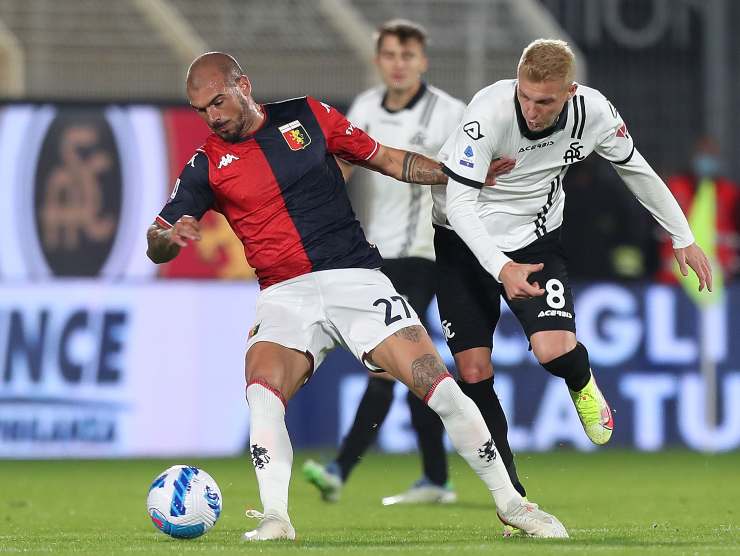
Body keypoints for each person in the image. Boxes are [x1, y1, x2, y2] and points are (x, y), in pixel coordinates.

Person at [146, 52, 568, 541]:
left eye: (218, 101)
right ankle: (276, 518)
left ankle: (513, 504)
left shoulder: (307, 115)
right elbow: (155, 240)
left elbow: (387, 158)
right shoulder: (205, 164)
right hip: (284, 293)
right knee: (261, 394)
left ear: (244, 83)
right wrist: (168, 235)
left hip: (356, 277)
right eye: (201, 109)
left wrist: (463, 175)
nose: (213, 116)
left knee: (441, 387)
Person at [434, 39, 712, 449]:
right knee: (473, 370)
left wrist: (682, 235)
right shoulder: (488, 111)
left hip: (535, 239)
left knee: (553, 353)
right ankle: (510, 491)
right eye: (525, 96)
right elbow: (458, 203)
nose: (531, 109)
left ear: (570, 92)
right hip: (463, 241)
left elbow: (635, 170)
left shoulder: (594, 113)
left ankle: (581, 379)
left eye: (544, 102)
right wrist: (500, 266)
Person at [302, 19, 526, 509]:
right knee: (416, 368)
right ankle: (435, 476)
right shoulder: (363, 108)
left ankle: (341, 469)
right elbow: (340, 167)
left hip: (427, 253)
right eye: (390, 56)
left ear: (422, 61)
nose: (398, 65)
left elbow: (476, 171)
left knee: (389, 364)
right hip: (375, 258)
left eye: (408, 56)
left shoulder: (449, 113)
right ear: (378, 60)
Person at [657, 136, 739, 283]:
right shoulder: (674, 187)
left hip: (721, 279)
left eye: (711, 155)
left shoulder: (730, 193)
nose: (706, 160)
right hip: (675, 277)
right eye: (702, 154)